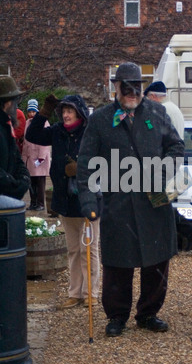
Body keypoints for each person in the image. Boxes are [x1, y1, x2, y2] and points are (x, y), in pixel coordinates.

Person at [77, 62, 185, 337]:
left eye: (136, 87)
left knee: (157, 261)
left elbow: (175, 146)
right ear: (116, 88)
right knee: (117, 263)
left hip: (155, 201)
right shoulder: (101, 119)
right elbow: (86, 163)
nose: (131, 93)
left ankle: (148, 313)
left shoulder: (157, 113)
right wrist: (89, 203)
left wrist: (163, 170)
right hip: (118, 203)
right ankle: (117, 316)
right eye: (126, 88)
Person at [25, 94, 100, 308]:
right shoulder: (57, 131)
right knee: (73, 250)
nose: (66, 115)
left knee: (90, 249)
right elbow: (33, 135)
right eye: (64, 111)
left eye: (70, 111)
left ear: (79, 113)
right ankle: (75, 293)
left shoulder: (90, 131)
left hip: (88, 199)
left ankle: (91, 293)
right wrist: (45, 111)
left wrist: (83, 169)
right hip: (65, 199)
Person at [144, 80, 192, 251]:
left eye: (147, 98)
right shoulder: (175, 108)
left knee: (161, 204)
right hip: (174, 163)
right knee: (163, 202)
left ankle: (187, 231)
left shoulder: (162, 111)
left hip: (165, 163)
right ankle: (182, 234)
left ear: (153, 96)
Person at [0, 74, 30, 200]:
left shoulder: (5, 124)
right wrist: (14, 186)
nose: (15, 104)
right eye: (13, 100)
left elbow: (16, 157)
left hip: (4, 200)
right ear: (4, 102)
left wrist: (24, 179)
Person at [22, 99, 51, 211]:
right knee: (31, 182)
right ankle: (33, 202)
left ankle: (40, 203)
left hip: (39, 158)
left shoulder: (43, 122)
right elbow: (25, 141)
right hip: (30, 157)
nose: (31, 114)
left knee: (40, 182)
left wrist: (41, 157)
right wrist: (24, 157)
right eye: (29, 111)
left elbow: (45, 142)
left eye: (33, 112)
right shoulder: (27, 122)